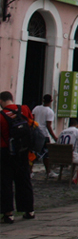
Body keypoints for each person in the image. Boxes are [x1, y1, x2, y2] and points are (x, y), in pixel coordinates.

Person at [1, 91, 35, 223]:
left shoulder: (1, 116)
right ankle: (29, 210)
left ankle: (8, 213)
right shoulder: (24, 109)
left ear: (1, 101)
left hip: (5, 151)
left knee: (6, 182)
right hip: (23, 151)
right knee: (24, 180)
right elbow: (32, 124)